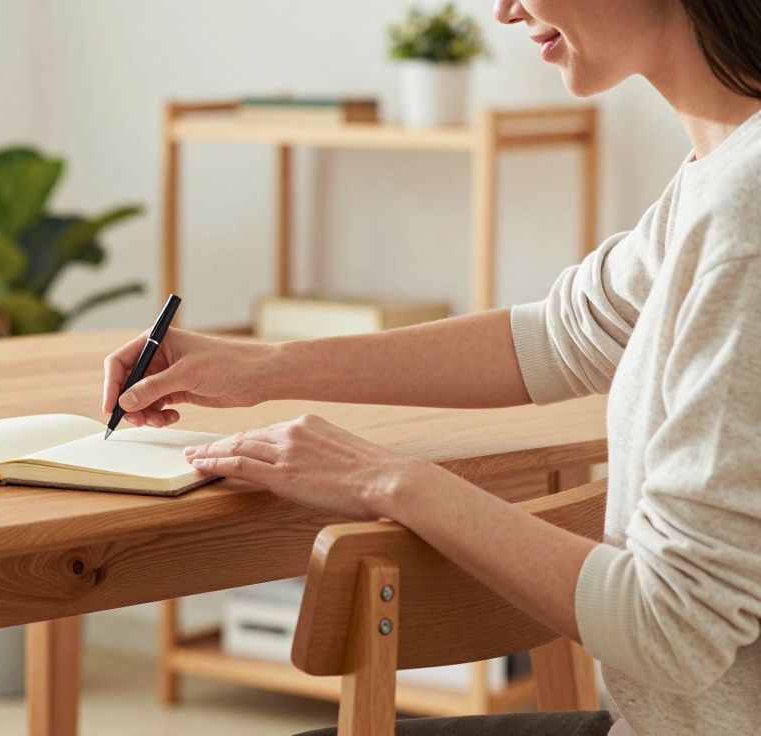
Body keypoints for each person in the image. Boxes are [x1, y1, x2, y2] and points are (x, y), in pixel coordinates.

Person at [102, 2, 761, 734]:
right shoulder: (724, 166)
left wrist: (390, 480)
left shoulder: (746, 215)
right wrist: (261, 366)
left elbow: (672, 627)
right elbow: (566, 335)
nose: (505, 10)